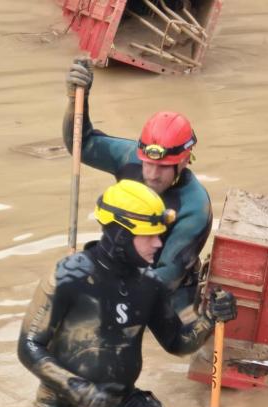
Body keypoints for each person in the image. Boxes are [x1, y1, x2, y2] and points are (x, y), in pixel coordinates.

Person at [18, 180, 236, 407]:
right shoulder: (68, 276)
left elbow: (177, 343)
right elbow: (29, 346)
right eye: (149, 236)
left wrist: (210, 318)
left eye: (159, 236)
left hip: (123, 402)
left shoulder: (150, 284)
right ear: (120, 235)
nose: (158, 244)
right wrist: (77, 389)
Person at [63, 58, 212, 315]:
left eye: (164, 167)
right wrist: (77, 100)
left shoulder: (194, 208)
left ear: (185, 161)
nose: (152, 175)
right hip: (123, 271)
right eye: (147, 164)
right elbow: (81, 144)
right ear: (141, 154)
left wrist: (101, 299)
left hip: (168, 298)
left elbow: (165, 277)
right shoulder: (130, 156)